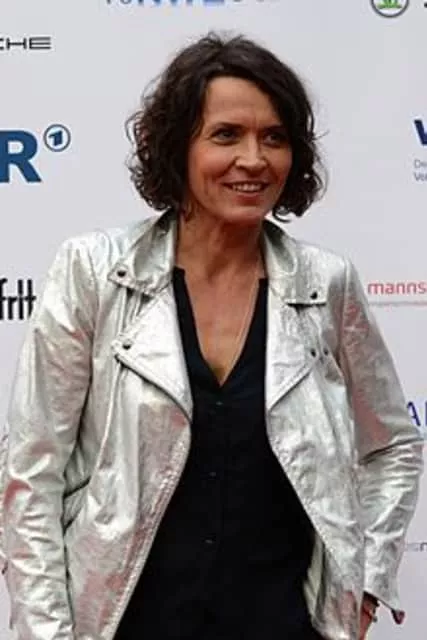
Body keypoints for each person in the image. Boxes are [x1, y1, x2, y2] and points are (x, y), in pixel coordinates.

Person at [1, 32, 423, 640]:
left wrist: (365, 587)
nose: (253, 159)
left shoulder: (326, 284)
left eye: (274, 137)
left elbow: (393, 447)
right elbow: (31, 474)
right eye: (226, 135)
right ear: (178, 148)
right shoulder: (94, 272)